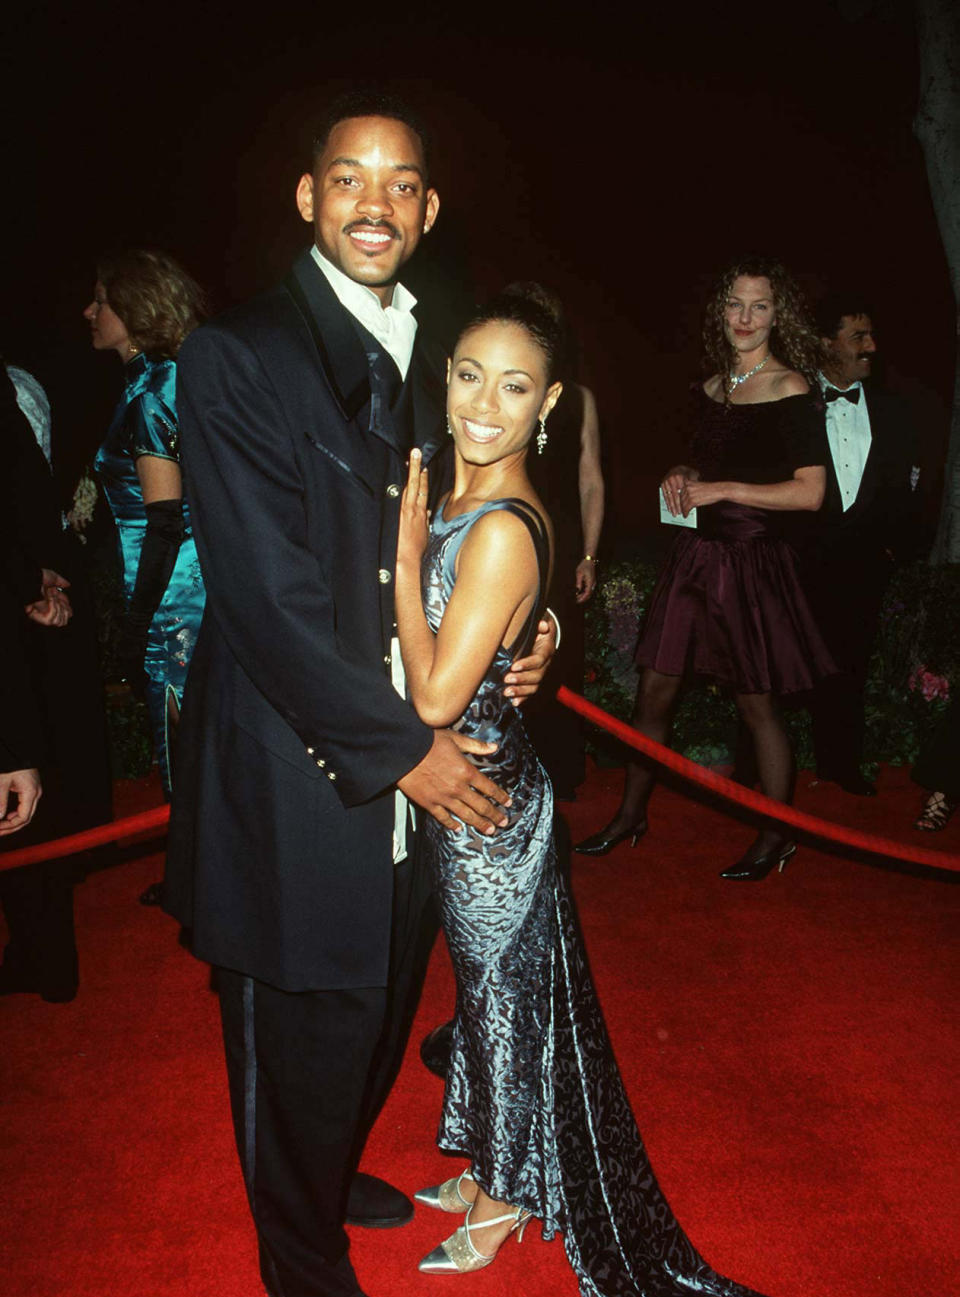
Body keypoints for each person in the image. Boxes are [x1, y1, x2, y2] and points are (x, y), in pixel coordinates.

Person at [162, 93, 554, 1297]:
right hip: (305, 756)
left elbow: (474, 508)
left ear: (427, 210)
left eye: (399, 184)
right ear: (308, 196)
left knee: (376, 1002)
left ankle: (324, 1173)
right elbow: (267, 602)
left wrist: (527, 627)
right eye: (348, 178)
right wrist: (406, 753)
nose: (373, 204)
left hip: (421, 734)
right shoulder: (237, 354)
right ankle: (300, 1249)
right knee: (298, 1019)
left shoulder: (441, 348)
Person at [396, 286, 767, 1296]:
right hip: (467, 791)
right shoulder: (472, 502)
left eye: (514, 386)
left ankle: (512, 1192)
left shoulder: (498, 522)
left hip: (488, 808)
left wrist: (401, 543)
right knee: (488, 993)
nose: (483, 403)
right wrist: (539, 634)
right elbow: (503, 632)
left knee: (505, 997)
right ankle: (489, 1158)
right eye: (469, 375)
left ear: (550, 404)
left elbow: (433, 690)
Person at [576, 258, 833, 880]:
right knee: (653, 693)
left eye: (760, 306)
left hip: (750, 564)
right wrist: (685, 475)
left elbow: (810, 493)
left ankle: (778, 834)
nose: (745, 318)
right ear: (720, 312)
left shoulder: (791, 387)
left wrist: (721, 490)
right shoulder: (714, 385)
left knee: (757, 706)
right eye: (735, 305)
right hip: (695, 560)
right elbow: (701, 465)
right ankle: (631, 814)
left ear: (779, 315)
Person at [85, 250, 207, 803]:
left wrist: (136, 624)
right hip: (186, 588)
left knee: (185, 759)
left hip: (171, 601)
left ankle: (197, 883)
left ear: (135, 310)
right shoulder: (169, 377)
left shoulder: (152, 390)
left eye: (102, 302)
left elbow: (164, 520)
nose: (89, 311)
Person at [803, 294, 922, 796]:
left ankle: (840, 764)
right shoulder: (793, 403)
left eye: (871, 336)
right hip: (799, 560)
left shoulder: (895, 409)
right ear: (826, 344)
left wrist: (892, 548)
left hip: (862, 565)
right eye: (859, 337)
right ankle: (757, 773)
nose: (872, 347)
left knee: (851, 667)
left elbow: (912, 486)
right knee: (781, 666)